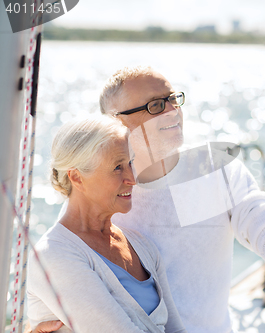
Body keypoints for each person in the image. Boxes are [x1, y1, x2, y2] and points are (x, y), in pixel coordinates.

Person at [33, 66, 265, 333]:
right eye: (155, 105)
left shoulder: (213, 169)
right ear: (115, 122)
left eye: (173, 99)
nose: (172, 111)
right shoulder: (101, 187)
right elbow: (61, 273)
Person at [27, 116, 186, 333]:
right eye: (117, 167)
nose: (133, 178)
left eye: (130, 163)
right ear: (77, 177)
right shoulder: (53, 256)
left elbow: (176, 329)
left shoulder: (142, 247)